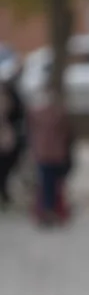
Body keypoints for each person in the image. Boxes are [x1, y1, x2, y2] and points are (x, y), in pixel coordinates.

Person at [27, 88, 74, 226]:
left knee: (47, 184)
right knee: (53, 184)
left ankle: (49, 210)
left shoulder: (36, 114)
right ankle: (52, 210)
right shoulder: (59, 114)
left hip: (45, 154)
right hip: (55, 154)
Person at [0, 64, 27, 210]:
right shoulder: (7, 94)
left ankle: (4, 191)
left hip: (10, 136)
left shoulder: (12, 93)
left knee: (8, 164)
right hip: (7, 136)